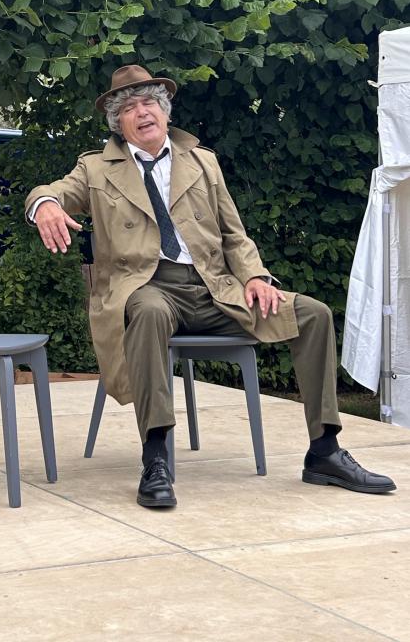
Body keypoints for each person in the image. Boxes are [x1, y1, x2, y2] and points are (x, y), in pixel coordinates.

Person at [26, 64, 396, 508]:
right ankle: (156, 457)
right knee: (148, 311)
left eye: (150, 103)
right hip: (147, 287)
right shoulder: (96, 168)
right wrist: (45, 204)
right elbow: (51, 191)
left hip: (214, 289)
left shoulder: (202, 161)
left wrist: (255, 276)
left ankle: (324, 451)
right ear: (118, 123)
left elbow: (234, 235)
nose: (143, 112)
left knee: (313, 314)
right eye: (130, 107)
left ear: (165, 112)